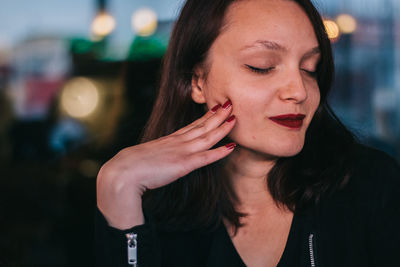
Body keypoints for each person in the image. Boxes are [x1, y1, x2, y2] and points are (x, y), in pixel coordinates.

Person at [95, 0, 400, 266]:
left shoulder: (370, 185)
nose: (298, 91)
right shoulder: (154, 211)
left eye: (309, 68)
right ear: (197, 82)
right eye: (262, 66)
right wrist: (118, 190)